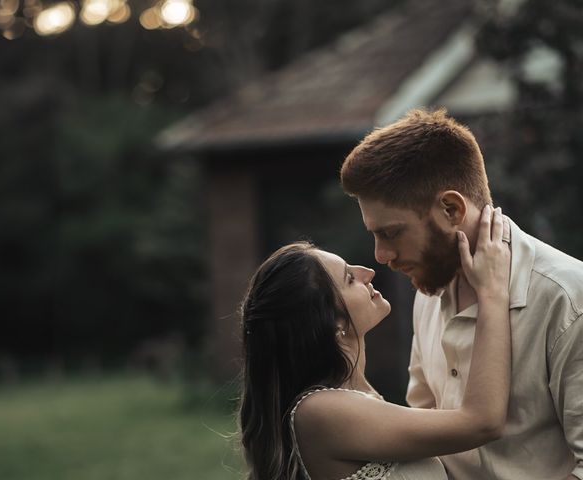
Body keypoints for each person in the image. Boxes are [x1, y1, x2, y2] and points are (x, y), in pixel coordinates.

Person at [340, 108, 583, 480]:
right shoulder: (428, 290)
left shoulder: (567, 299)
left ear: (451, 209)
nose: (380, 256)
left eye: (390, 233)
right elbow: (424, 441)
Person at [238, 205, 511, 480]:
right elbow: (482, 422)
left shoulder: (356, 398)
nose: (367, 271)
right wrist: (491, 292)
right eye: (349, 278)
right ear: (334, 322)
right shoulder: (319, 411)